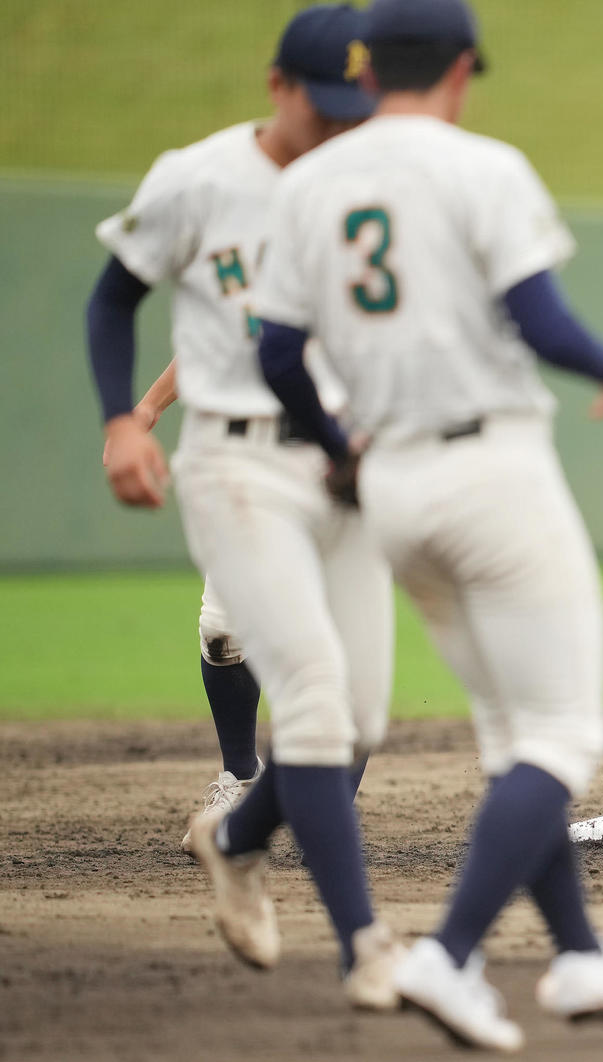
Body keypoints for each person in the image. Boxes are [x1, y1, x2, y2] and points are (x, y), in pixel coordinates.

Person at [249, 0, 603, 1049]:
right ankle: (447, 953)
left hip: (390, 483)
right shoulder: (481, 166)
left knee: (510, 737)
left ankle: (578, 957)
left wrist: (339, 448)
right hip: (491, 470)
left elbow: (272, 355)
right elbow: (537, 317)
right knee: (563, 734)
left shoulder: (306, 184)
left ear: (370, 67)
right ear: (459, 69)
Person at [86, 4, 403, 1011]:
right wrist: (123, 421)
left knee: (357, 718)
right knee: (302, 686)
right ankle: (367, 948)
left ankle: (232, 841)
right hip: (235, 461)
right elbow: (113, 299)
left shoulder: (364, 183)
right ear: (277, 86)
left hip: (340, 466)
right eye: (326, 106)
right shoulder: (200, 178)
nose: (341, 126)